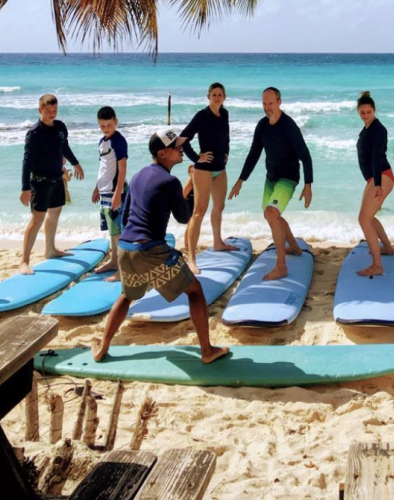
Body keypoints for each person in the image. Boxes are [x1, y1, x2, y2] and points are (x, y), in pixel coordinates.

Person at [92, 127, 229, 365]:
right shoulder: (170, 181)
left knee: (126, 296)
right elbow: (184, 217)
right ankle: (207, 351)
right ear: (162, 153)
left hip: (127, 248)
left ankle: (103, 347)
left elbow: (125, 218)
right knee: (195, 291)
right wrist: (190, 185)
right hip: (150, 251)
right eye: (176, 147)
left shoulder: (137, 176)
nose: (181, 150)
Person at [229, 87, 313, 280]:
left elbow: (305, 156)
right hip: (272, 178)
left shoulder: (289, 126)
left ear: (279, 103)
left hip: (288, 178)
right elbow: (254, 154)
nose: (267, 108)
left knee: (271, 212)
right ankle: (293, 246)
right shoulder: (262, 126)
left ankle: (281, 266)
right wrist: (241, 179)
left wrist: (308, 185)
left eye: (271, 103)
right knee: (271, 215)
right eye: (264, 104)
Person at [19, 93, 84, 275]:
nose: (51, 114)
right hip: (40, 181)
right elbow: (27, 161)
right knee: (37, 219)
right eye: (48, 111)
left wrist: (76, 163)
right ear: (40, 110)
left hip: (57, 179)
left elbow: (64, 147)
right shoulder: (34, 133)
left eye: (54, 110)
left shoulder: (60, 127)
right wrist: (25, 188)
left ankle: (50, 250)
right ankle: (24, 261)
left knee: (55, 213)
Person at [181, 82, 237, 275]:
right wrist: (196, 157)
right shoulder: (202, 116)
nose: (217, 97)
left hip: (220, 169)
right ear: (208, 97)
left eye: (220, 94)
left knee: (219, 206)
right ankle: (191, 259)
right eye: (214, 94)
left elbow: (226, 137)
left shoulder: (225, 114)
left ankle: (217, 242)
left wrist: (227, 152)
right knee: (199, 211)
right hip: (203, 170)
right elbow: (182, 139)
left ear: (224, 97)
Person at [355, 91, 394, 276]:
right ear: (358, 112)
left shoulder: (379, 129)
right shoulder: (367, 129)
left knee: (363, 219)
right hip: (375, 178)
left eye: (368, 112)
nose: (365, 115)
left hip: (382, 176)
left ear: (374, 110)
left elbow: (377, 156)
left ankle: (377, 266)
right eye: (362, 112)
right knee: (368, 217)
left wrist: (377, 184)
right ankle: (386, 248)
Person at [91, 106, 128, 282]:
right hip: (104, 192)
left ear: (116, 122)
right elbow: (103, 168)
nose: (106, 128)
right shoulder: (102, 142)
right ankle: (113, 262)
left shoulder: (119, 141)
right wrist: (96, 188)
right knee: (111, 232)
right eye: (102, 126)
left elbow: (122, 168)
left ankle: (122, 269)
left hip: (115, 192)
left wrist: (118, 193)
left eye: (109, 125)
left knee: (118, 232)